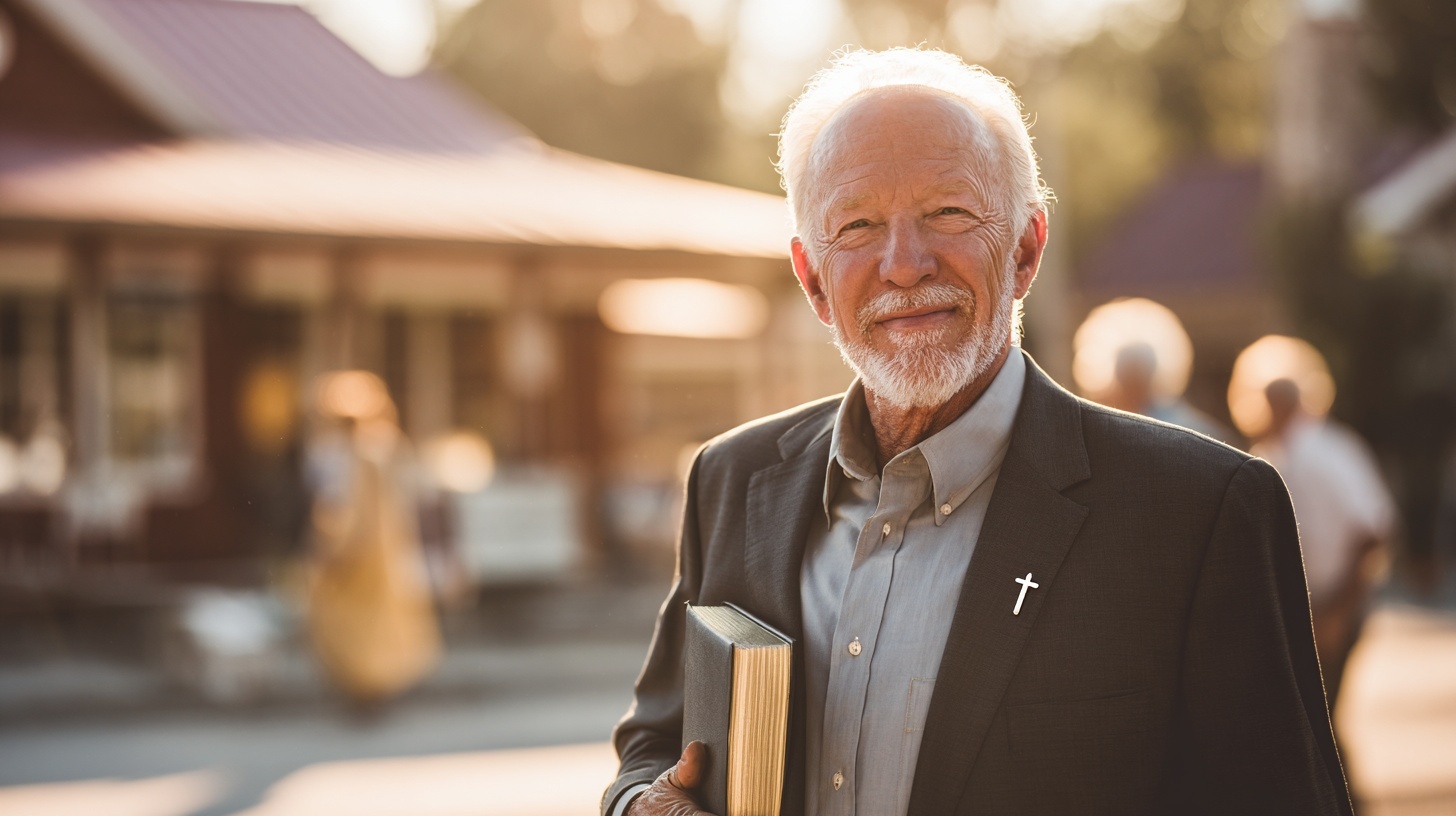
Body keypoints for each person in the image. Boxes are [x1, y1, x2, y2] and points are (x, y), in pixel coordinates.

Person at [605, 48, 1349, 816]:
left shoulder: (1201, 512)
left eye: (948, 214)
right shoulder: (732, 480)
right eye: (857, 225)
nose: (903, 264)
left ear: (1026, 248)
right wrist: (643, 807)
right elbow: (656, 743)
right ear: (812, 279)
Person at [1251, 375, 1394, 707]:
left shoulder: (1318, 452)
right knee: (1313, 718)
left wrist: (1337, 615)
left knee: (1317, 719)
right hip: (1318, 608)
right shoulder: (1282, 451)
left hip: (1335, 604)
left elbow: (1372, 531)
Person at [305, 370, 440, 710]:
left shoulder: (365, 453)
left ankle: (366, 689)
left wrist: (334, 545)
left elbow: (351, 510)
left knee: (359, 623)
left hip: (364, 547)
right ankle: (369, 688)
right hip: (382, 548)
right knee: (375, 622)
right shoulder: (382, 446)